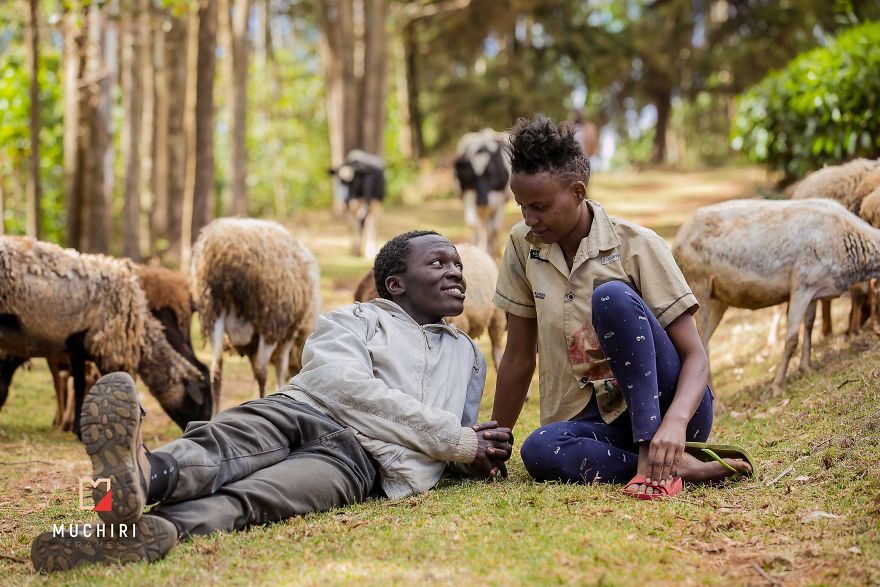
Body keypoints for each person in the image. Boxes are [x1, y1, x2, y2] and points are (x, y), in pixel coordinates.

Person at [31, 231, 513, 573]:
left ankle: (137, 533)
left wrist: (473, 455)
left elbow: (454, 433)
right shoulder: (353, 320)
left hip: (360, 462)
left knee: (260, 498)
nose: (456, 271)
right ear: (396, 284)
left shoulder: (469, 356)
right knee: (221, 445)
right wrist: (455, 440)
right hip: (300, 410)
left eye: (457, 264)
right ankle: (137, 475)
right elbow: (342, 385)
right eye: (438, 263)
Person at [490, 115, 752, 499]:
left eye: (540, 207)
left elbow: (696, 356)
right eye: (521, 207)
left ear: (578, 192)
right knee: (539, 450)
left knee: (610, 297)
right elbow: (516, 357)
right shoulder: (522, 245)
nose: (530, 219)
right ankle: (674, 466)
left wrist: (675, 425)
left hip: (672, 412)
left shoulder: (638, 245)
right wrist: (493, 446)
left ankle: (655, 450)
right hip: (594, 422)